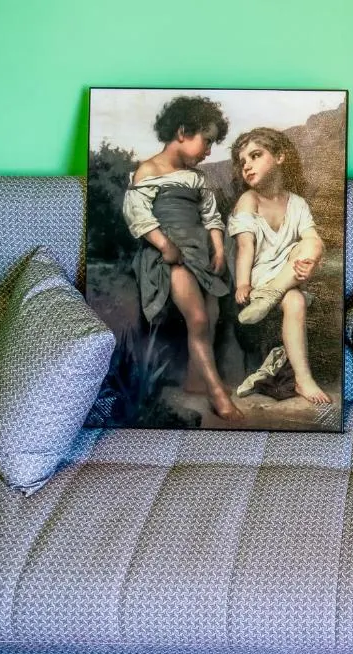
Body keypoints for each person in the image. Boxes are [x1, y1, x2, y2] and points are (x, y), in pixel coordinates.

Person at [122, 95, 244, 421]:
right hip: (168, 255)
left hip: (199, 253)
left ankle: (195, 379)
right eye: (207, 140)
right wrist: (164, 245)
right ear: (181, 132)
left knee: (212, 314)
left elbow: (211, 216)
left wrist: (219, 249)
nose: (209, 150)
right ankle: (217, 393)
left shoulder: (197, 178)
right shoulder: (148, 170)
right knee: (198, 318)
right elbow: (137, 215)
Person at [228, 127, 331, 405]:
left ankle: (303, 380)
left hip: (288, 275)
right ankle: (270, 295)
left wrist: (310, 264)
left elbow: (312, 241)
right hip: (260, 280)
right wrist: (242, 283)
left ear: (280, 157)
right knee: (295, 297)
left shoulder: (297, 203)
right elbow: (245, 247)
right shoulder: (249, 199)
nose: (246, 165)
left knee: (313, 244)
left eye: (255, 156)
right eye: (242, 161)